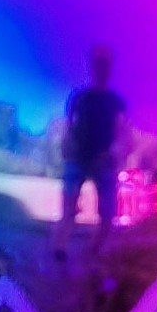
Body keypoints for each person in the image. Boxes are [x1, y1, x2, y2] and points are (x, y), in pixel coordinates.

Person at [61, 45, 126, 228]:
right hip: (78, 158)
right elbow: (69, 125)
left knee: (107, 217)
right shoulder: (79, 97)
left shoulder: (115, 101)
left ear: (109, 69)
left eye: (104, 64)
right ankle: (58, 251)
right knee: (68, 210)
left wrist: (116, 152)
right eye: (98, 64)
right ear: (92, 67)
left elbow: (122, 130)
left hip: (104, 160)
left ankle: (92, 253)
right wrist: (67, 147)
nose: (101, 69)